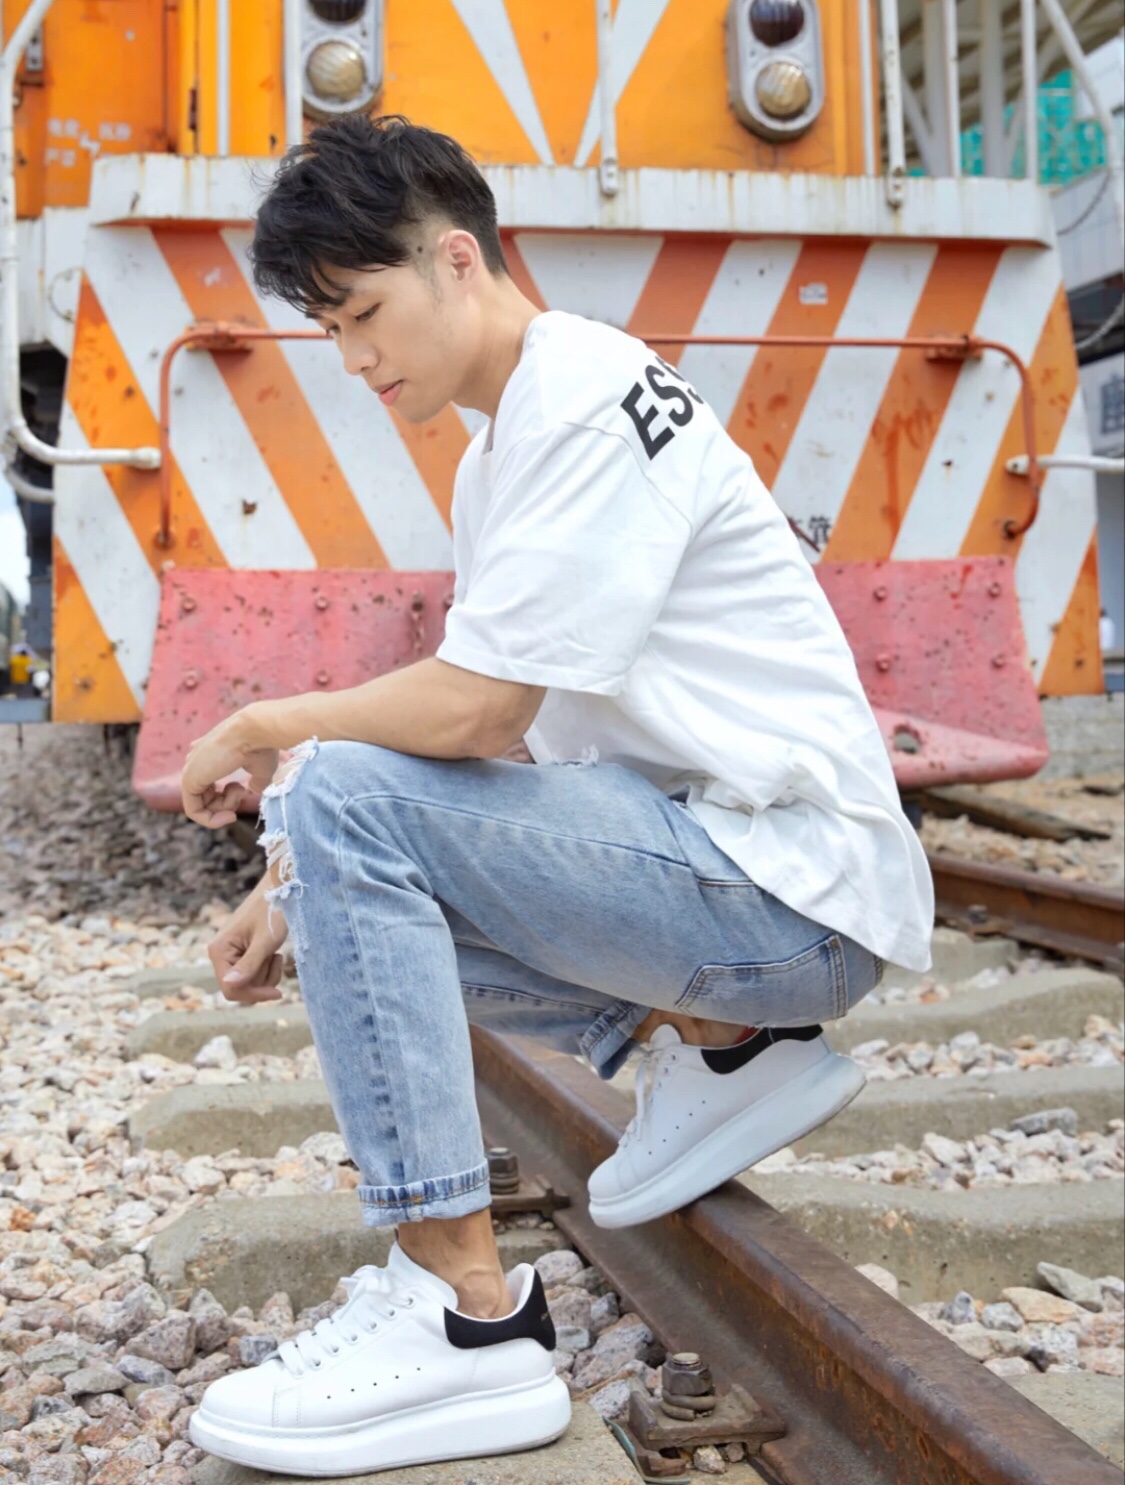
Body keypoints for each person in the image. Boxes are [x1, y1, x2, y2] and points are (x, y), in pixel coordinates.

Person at [179, 115, 934, 1476]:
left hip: (787, 891)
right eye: (330, 332)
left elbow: (478, 713)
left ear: (456, 259)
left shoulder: (582, 398)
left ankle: (463, 1313)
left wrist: (269, 724)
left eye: (362, 316)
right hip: (726, 876)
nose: (354, 360)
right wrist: (291, 885)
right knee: (337, 856)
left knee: (337, 786)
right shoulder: (503, 448)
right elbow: (499, 757)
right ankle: (717, 1039)